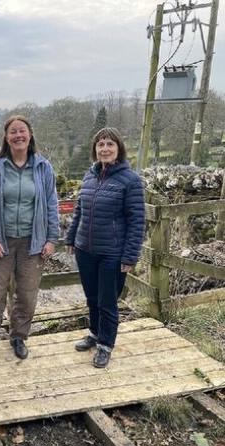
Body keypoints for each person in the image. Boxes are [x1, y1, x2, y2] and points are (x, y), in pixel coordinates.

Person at [0, 115, 59, 361]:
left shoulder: (43, 167)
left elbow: (51, 204)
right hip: (1, 243)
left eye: (22, 131)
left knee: (26, 294)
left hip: (32, 243)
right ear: (6, 137)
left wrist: (51, 239)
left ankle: (19, 337)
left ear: (30, 134)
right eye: (13, 132)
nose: (18, 135)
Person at [65, 127, 144, 368]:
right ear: (95, 150)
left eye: (110, 144)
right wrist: (71, 238)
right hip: (85, 250)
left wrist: (130, 256)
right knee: (91, 297)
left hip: (112, 252)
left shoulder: (130, 181)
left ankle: (106, 345)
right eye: (100, 145)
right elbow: (80, 210)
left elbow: (136, 220)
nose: (105, 149)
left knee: (107, 300)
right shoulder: (90, 176)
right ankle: (95, 333)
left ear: (119, 148)